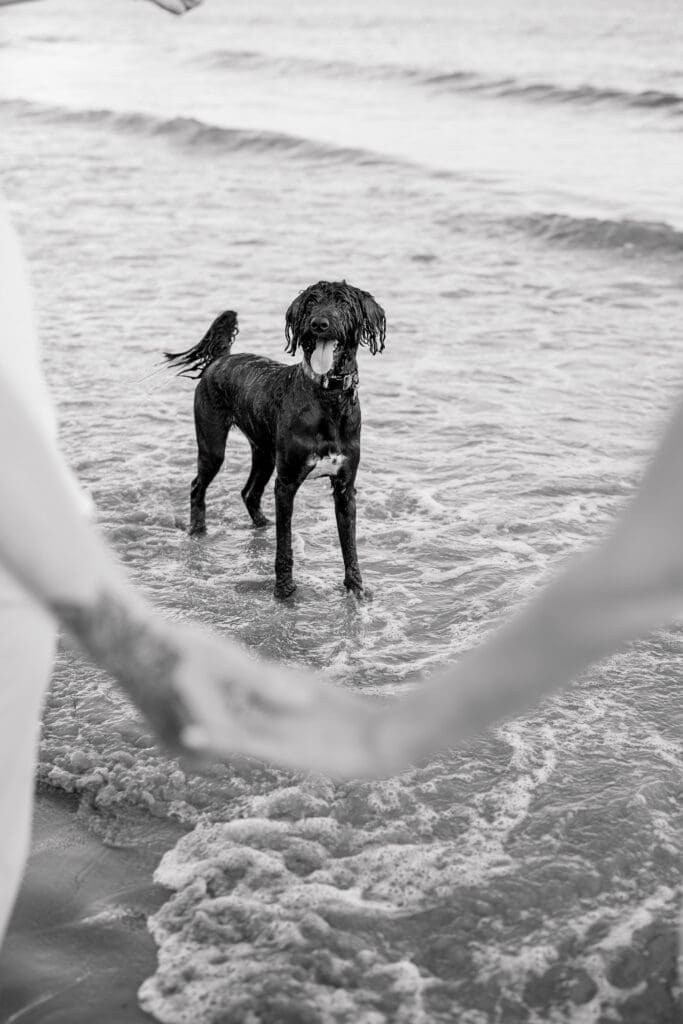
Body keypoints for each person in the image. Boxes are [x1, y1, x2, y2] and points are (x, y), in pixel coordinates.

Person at [3, 0, 683, 952]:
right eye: (314, 330)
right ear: (304, 335)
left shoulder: (348, 407)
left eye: (333, 331)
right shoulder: (271, 385)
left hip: (33, 571)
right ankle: (212, 522)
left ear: (354, 337)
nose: (323, 339)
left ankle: (296, 558)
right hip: (43, 563)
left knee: (293, 494)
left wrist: (383, 712)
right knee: (228, 482)